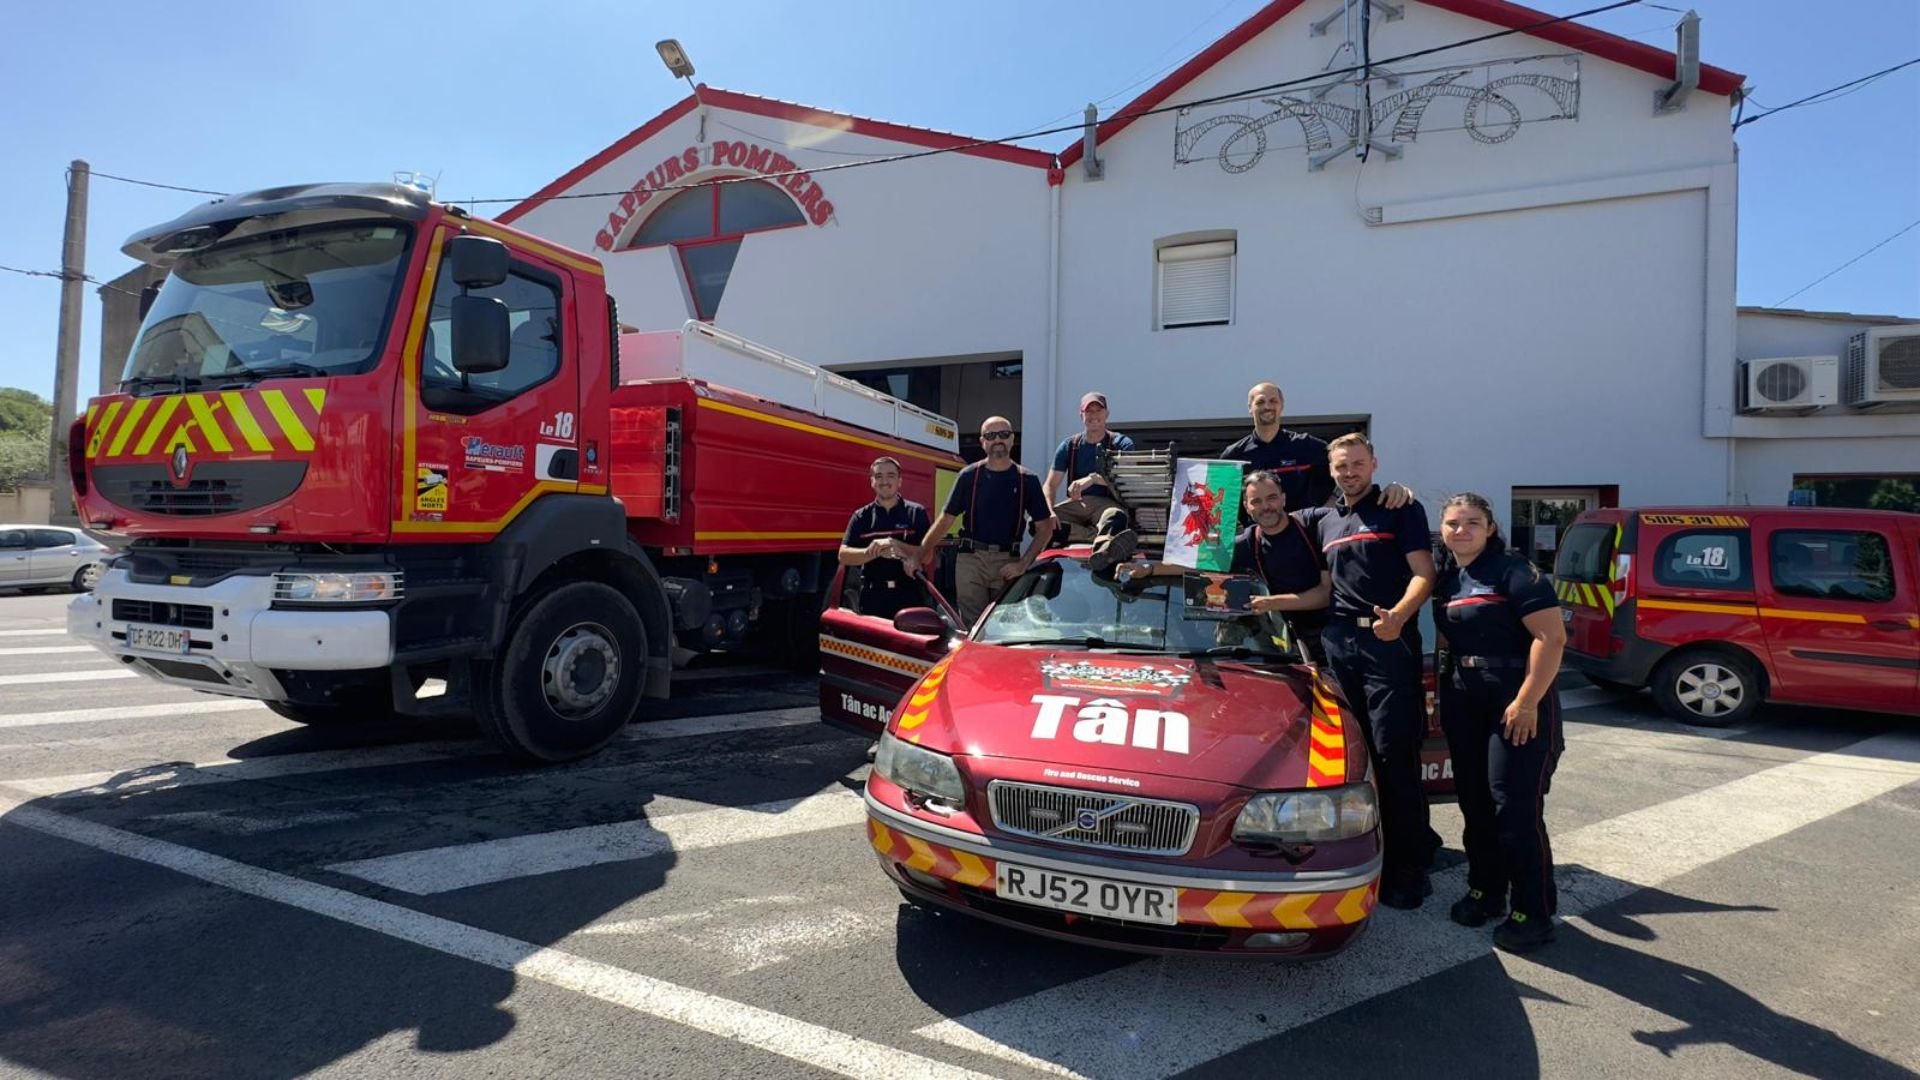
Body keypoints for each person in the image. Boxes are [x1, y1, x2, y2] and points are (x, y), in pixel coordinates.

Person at [1298, 432, 1439, 909]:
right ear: (1331, 470)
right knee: (1353, 758)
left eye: (1357, 464)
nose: (1349, 472)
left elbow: (1424, 573)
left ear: (1374, 464)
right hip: (1339, 644)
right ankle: (1367, 852)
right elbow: (1265, 521)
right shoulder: (1322, 518)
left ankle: (1411, 868)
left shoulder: (1400, 507)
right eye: (1341, 466)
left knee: (1393, 753)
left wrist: (1398, 616)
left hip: (1387, 643)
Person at [1431, 492, 1566, 954]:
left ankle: (1534, 912)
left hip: (1515, 700)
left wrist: (1527, 702)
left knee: (1514, 809)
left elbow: (1551, 637)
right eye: (1453, 523)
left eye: (1472, 522)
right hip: (1464, 697)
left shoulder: (1515, 570)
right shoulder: (1449, 577)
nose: (1461, 530)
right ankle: (1486, 889)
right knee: (1475, 803)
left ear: (1490, 528)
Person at [920, 417, 1057, 626]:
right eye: (991, 436)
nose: (998, 440)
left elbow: (1045, 527)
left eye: (1003, 434)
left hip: (1007, 561)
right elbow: (946, 519)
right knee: (973, 626)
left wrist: (1023, 564)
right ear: (983, 441)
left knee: (1005, 625)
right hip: (971, 561)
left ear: (1012, 439)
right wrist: (922, 552)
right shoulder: (968, 476)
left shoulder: (1027, 479)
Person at [1222, 382, 1416, 510]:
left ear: (1282, 405)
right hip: (1257, 540)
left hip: (1307, 539)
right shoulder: (1234, 455)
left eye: (1273, 401)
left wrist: (1392, 488)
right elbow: (1222, 502)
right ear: (1250, 407)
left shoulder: (1307, 446)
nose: (1267, 406)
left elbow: (1347, 473)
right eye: (1260, 402)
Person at [1230, 470, 1330, 663]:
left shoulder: (1314, 522)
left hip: (1331, 636)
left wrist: (1392, 491)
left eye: (1272, 498)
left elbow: (1326, 594)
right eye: (1256, 501)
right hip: (1283, 645)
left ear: (1283, 499)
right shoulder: (1247, 542)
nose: (1265, 507)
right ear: (1246, 507)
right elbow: (1191, 564)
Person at [837, 456, 932, 620]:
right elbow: (843, 556)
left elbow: (928, 556)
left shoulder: (917, 513)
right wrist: (874, 551)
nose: (884, 481)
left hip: (910, 595)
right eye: (878, 476)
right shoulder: (861, 516)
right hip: (873, 597)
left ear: (899, 481)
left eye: (890, 476)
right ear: (872, 482)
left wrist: (896, 545)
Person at [1046, 391, 1137, 547]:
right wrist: (1049, 512)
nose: (1094, 415)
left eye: (1098, 410)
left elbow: (1126, 478)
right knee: (1038, 523)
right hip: (1078, 505)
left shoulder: (1121, 443)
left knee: (1116, 517)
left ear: (1107, 414)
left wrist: (1093, 479)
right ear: (1081, 415)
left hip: (1108, 505)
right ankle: (1096, 536)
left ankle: (1101, 537)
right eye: (1089, 411)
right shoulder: (1069, 446)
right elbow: (1050, 485)